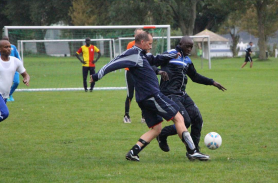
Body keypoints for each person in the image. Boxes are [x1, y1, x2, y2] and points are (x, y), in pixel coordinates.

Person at [90, 31, 209, 161]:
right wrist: (96, 76)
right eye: (150, 43)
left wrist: (170, 56)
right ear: (142, 42)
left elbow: (154, 60)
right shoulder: (133, 54)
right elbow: (113, 63)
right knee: (179, 118)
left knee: (156, 129)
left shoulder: (141, 54)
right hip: (152, 95)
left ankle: (133, 152)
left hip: (144, 98)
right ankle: (192, 151)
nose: (151, 46)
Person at [154, 36, 226, 154]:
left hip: (182, 94)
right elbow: (150, 64)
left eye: (191, 47)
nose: (189, 49)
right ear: (180, 44)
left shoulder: (187, 60)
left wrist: (212, 82)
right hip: (169, 94)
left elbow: (195, 76)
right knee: (185, 122)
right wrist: (159, 71)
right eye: (187, 46)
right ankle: (162, 134)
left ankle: (194, 150)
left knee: (198, 119)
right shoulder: (170, 54)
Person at [0, 39, 30, 137]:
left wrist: (26, 79)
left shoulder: (16, 61)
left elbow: (25, 74)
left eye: (10, 46)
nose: (9, 49)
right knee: (4, 113)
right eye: (6, 47)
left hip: (5, 95)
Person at [123, 29, 145, 123]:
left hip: (141, 72)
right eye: (139, 34)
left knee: (143, 94)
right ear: (135, 36)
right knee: (130, 94)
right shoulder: (130, 44)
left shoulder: (145, 44)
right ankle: (126, 115)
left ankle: (144, 116)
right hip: (130, 72)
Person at [0, 37, 21, 102]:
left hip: (14, 68)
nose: (8, 48)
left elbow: (18, 57)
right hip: (5, 69)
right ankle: (5, 96)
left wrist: (19, 65)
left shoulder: (13, 47)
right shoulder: (1, 49)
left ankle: (9, 94)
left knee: (16, 82)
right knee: (7, 83)